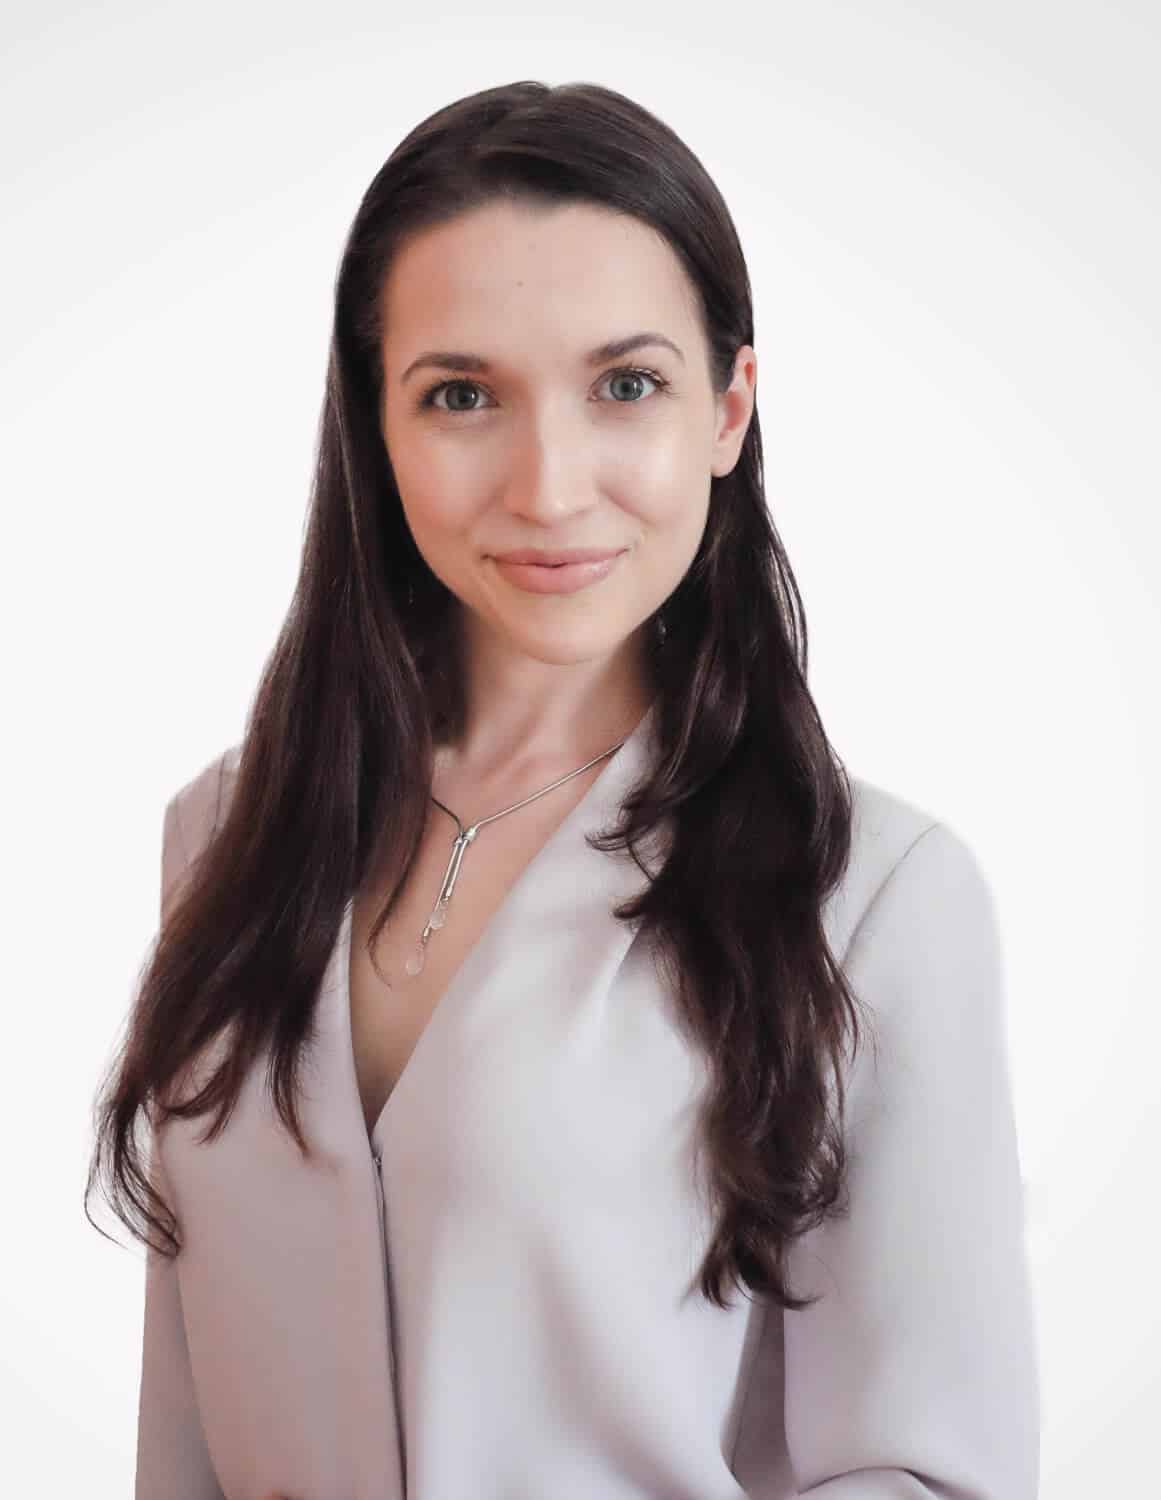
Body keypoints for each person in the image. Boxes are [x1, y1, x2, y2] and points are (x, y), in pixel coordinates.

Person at [88, 80, 1040, 1499]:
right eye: (461, 395)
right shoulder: (229, 837)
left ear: (728, 409)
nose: (546, 486)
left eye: (626, 385)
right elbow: (188, 1438)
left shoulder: (873, 896)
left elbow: (933, 1469)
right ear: (375, 425)